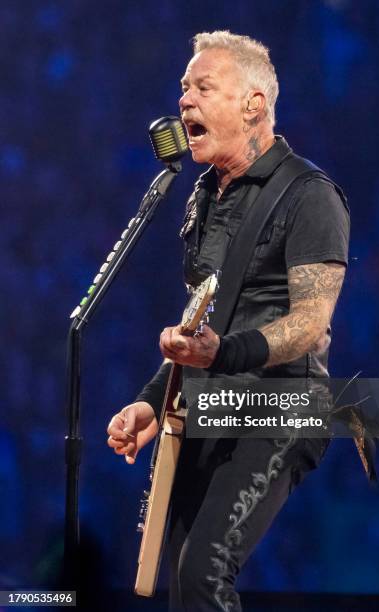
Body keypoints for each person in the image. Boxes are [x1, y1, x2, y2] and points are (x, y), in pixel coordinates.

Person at [107, 31, 349, 611]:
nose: (183, 101)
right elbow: (198, 322)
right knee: (184, 590)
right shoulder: (203, 197)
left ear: (253, 105)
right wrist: (150, 399)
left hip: (282, 405)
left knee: (204, 575)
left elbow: (311, 323)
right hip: (206, 406)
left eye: (202, 87)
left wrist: (222, 354)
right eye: (183, 88)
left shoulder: (309, 195)